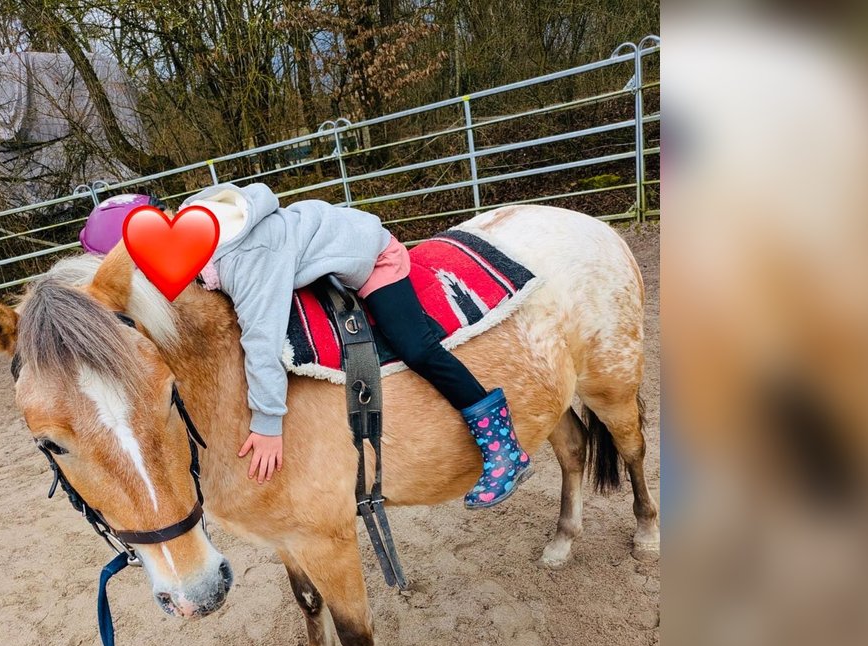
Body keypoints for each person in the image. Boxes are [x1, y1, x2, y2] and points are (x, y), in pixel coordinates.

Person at [83, 183, 533, 509]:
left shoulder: (246, 261)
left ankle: (502, 446)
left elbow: (261, 339)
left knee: (416, 347)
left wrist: (267, 424)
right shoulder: (195, 232)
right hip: (315, 249)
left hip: (372, 257)